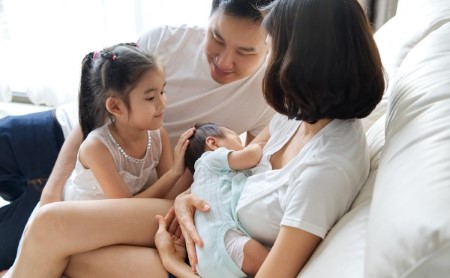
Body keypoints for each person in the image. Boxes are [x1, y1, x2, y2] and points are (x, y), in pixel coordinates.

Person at [4, 0, 385, 276]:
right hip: (189, 208)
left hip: (209, 251)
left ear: (303, 62)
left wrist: (173, 261)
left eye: (273, 49)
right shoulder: (297, 115)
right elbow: (238, 165)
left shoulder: (327, 167)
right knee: (49, 225)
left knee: (62, 245)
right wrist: (185, 198)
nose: (269, 62)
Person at [0, 0, 276, 270]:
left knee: (22, 241)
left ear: (269, 46)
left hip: (128, 182)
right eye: (217, 37)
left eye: (245, 52)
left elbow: (243, 174)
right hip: (77, 137)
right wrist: (52, 192)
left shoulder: (267, 96)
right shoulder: (167, 40)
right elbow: (96, 107)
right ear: (210, 19)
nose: (225, 60)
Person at [184, 122, 268, 277]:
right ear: (213, 143)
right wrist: (258, 148)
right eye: (237, 139)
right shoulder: (208, 159)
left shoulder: (204, 179)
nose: (242, 146)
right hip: (224, 243)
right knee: (275, 264)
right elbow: (250, 156)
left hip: (205, 260)